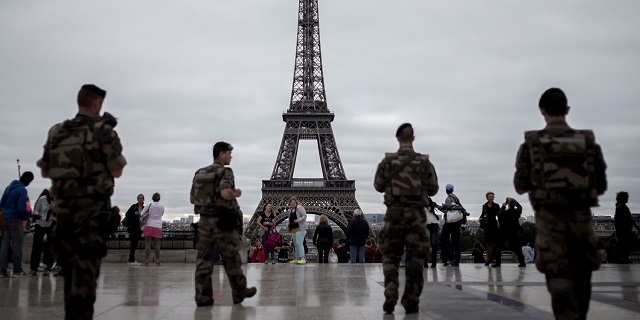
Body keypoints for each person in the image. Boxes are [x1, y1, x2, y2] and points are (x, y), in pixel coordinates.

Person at [514, 87, 607, 320]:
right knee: (582, 288)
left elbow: (520, 185)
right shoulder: (587, 142)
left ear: (541, 110)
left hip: (550, 226)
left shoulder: (532, 144)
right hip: (581, 226)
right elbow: (601, 185)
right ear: (567, 110)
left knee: (561, 291)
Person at [36, 84, 126, 319]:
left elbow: (45, 171)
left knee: (70, 277)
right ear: (97, 104)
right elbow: (117, 171)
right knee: (85, 282)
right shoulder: (103, 131)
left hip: (64, 216)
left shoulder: (56, 131)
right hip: (92, 216)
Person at [374, 122, 439, 314]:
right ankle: (411, 300)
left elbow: (378, 186)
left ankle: (391, 292)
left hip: (393, 215)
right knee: (416, 258)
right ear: (413, 138)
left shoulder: (387, 162)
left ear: (397, 138)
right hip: (416, 216)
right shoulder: (424, 162)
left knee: (391, 256)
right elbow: (434, 189)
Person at [191, 141, 256, 307]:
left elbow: (192, 198)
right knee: (231, 259)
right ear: (221, 154)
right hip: (221, 222)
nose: (231, 156)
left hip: (204, 222)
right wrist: (236, 193)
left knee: (203, 261)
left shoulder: (200, 172)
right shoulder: (224, 171)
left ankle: (203, 297)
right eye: (229, 153)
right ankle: (239, 292)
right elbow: (226, 193)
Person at [0, 171, 37, 278]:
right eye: (30, 181)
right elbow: (21, 209)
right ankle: (17, 271)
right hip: (15, 220)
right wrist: (32, 215)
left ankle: (1, 271)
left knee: (4, 245)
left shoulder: (8, 188)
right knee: (17, 245)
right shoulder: (22, 190)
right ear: (27, 179)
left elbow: (1, 204)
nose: (29, 184)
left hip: (5, 218)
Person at [492, 197, 526, 267]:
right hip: (512, 232)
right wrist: (512, 200)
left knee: (498, 247)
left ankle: (498, 262)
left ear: (508, 205)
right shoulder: (517, 212)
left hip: (503, 232)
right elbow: (520, 207)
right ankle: (522, 262)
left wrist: (503, 206)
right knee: (516, 248)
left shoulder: (503, 213)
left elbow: (498, 214)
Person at [29, 188, 56, 275]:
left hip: (51, 224)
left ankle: (48, 266)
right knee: (37, 245)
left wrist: (54, 210)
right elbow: (36, 209)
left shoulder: (58, 200)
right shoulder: (43, 198)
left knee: (49, 245)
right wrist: (37, 215)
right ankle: (33, 267)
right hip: (40, 223)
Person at [438, 184, 464, 267]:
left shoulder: (448, 198)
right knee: (456, 241)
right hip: (457, 221)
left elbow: (447, 211)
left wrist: (439, 208)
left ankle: (451, 257)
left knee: (442, 238)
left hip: (450, 222)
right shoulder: (456, 198)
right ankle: (457, 260)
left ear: (446, 190)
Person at [614, 191, 640, 264]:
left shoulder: (619, 206)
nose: (627, 199)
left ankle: (622, 258)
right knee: (626, 244)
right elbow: (629, 219)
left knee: (623, 245)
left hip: (621, 230)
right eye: (626, 197)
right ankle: (623, 258)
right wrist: (636, 227)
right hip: (625, 230)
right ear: (623, 198)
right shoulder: (623, 207)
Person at [141, 192, 164, 266]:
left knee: (148, 244)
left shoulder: (149, 205)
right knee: (157, 244)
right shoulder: (162, 206)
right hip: (158, 226)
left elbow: (142, 214)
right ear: (159, 198)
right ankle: (157, 260)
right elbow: (161, 214)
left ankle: (147, 260)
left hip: (149, 225)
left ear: (152, 198)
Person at [479, 191, 500, 266]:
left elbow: (499, 214)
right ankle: (489, 259)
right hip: (487, 226)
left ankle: (494, 259)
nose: (491, 198)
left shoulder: (496, 205)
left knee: (494, 243)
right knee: (488, 243)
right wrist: (480, 218)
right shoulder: (484, 206)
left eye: (492, 196)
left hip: (494, 225)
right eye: (490, 197)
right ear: (487, 197)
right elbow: (483, 214)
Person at [123, 194, 144, 266]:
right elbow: (127, 214)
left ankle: (131, 260)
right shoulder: (134, 206)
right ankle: (131, 260)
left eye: (141, 198)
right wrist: (134, 213)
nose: (140, 200)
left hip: (139, 228)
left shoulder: (144, 208)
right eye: (139, 198)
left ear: (143, 199)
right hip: (133, 227)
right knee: (133, 243)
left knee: (135, 244)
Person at [288, 197, 308, 264]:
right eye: (291, 203)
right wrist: (288, 225)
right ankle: (297, 258)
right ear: (290, 203)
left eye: (294, 202)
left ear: (296, 203)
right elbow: (290, 220)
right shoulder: (290, 210)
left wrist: (298, 220)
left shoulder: (300, 208)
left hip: (300, 229)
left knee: (299, 243)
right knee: (296, 244)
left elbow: (304, 216)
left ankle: (302, 258)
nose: (293, 203)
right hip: (294, 229)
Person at [425, 198, 439, 268]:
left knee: (433, 244)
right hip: (426, 225)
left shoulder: (429, 202)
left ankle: (434, 262)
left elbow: (432, 209)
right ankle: (425, 262)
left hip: (433, 223)